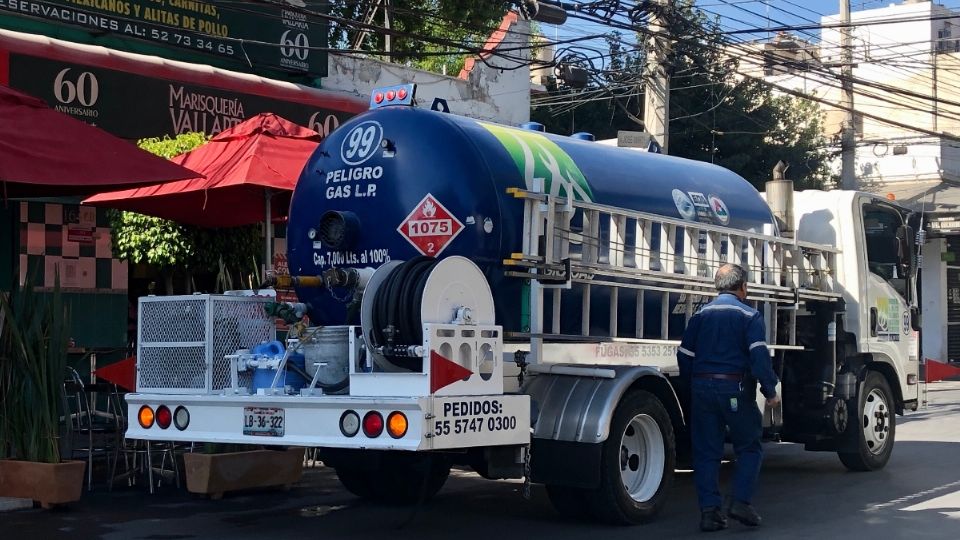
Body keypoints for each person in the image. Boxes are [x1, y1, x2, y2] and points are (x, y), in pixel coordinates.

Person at [677, 263, 781, 532]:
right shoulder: (749, 316)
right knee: (749, 447)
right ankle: (740, 502)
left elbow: (685, 356)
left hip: (702, 389)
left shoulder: (700, 315)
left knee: (706, 452)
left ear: (717, 287)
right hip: (734, 390)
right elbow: (759, 358)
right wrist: (770, 391)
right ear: (743, 287)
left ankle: (710, 513)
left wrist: (693, 386)